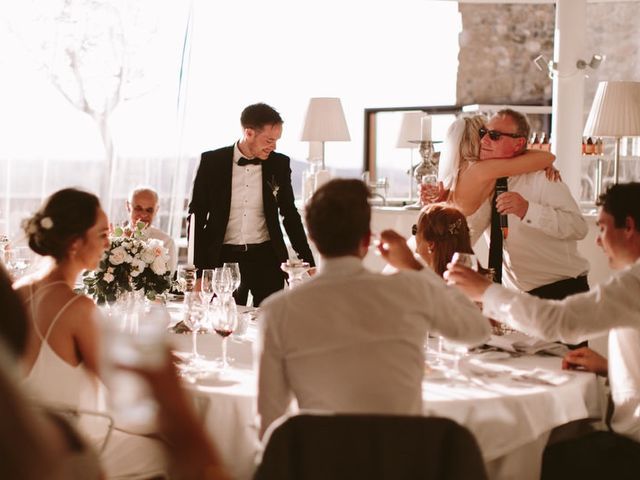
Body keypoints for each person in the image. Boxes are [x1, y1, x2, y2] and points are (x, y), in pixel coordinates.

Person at [256, 179, 490, 437]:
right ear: (367, 239)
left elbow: (269, 422)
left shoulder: (277, 311)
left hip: (321, 463)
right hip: (403, 462)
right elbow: (477, 330)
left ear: (311, 237)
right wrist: (413, 265)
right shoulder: (410, 290)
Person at [445, 182, 640, 479]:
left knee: (537, 448)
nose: (599, 242)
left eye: (602, 228)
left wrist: (486, 292)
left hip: (632, 446)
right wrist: (612, 367)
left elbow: (558, 322)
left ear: (628, 226)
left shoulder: (632, 286)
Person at [16, 188, 168, 479]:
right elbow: (122, 392)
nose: (108, 242)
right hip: (69, 449)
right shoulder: (78, 309)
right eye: (101, 234)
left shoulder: (16, 292)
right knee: (168, 450)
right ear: (75, 243)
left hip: (22, 442)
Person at [434, 110, 590, 300]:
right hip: (514, 297)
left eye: (495, 136)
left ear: (519, 143)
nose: (484, 141)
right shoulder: (482, 183)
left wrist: (528, 210)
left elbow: (579, 228)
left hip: (561, 291)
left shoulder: (543, 178)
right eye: (483, 134)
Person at [189, 103, 315, 307]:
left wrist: (308, 260)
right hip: (223, 259)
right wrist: (199, 271)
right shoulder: (212, 162)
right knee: (222, 319)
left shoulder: (279, 164)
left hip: (266, 257)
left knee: (269, 319)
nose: (273, 146)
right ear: (249, 133)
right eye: (269, 140)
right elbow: (196, 217)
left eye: (276, 141)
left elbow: (289, 214)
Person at [413, 202, 475, 277]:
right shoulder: (476, 278)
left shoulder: (427, 283)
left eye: (415, 229)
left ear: (431, 244)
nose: (414, 236)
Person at [126, 186, 177, 274]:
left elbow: (168, 280)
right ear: (128, 207)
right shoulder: (114, 238)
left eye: (149, 210)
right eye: (138, 208)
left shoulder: (166, 242)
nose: (143, 214)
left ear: (156, 210)